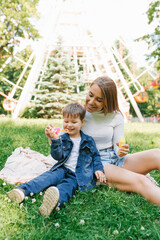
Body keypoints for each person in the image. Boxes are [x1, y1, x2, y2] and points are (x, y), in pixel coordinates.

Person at [7, 102, 106, 216]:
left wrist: (98, 169)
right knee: (46, 178)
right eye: (66, 121)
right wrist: (54, 140)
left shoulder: (88, 140)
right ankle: (22, 191)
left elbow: (96, 156)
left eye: (74, 122)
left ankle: (55, 203)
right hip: (62, 168)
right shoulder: (62, 138)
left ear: (82, 123)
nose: (69, 125)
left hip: (77, 175)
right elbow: (57, 156)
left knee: (67, 188)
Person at [78, 75, 160, 205]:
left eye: (99, 100)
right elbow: (65, 140)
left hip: (115, 158)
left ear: (108, 101)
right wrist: (53, 139)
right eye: (90, 95)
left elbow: (118, 146)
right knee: (141, 181)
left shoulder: (116, 116)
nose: (91, 101)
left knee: (158, 154)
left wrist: (121, 151)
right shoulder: (78, 113)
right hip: (97, 164)